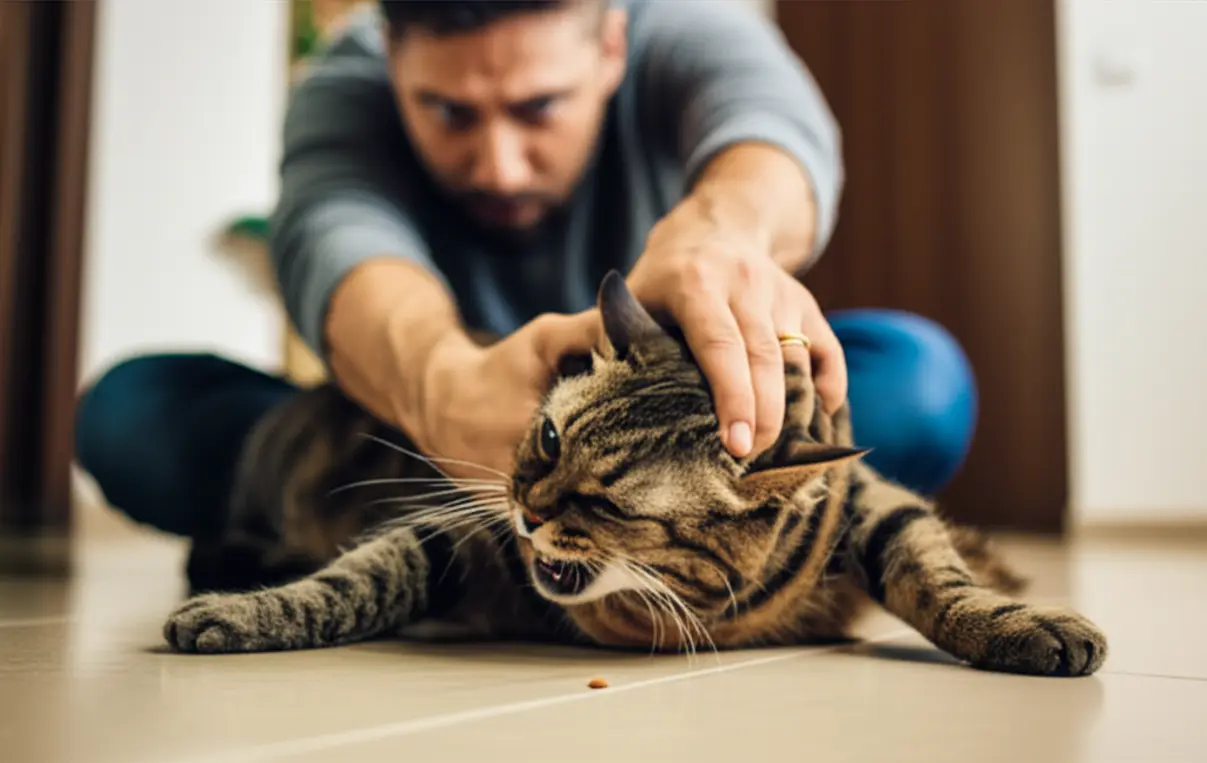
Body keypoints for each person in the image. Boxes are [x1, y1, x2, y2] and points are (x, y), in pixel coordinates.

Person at [74, 0, 977, 540]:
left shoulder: (683, 28)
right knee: (128, 412)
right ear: (392, 61)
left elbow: (776, 134)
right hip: (412, 437)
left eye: (538, 107)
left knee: (920, 382)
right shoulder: (342, 84)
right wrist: (439, 385)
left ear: (609, 46)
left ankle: (382, 544)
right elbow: (337, 245)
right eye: (449, 112)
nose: (499, 164)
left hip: (652, 471)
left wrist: (718, 231)